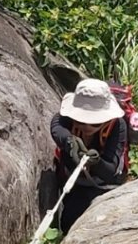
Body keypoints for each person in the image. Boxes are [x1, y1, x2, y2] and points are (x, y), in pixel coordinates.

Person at [51, 78, 127, 234]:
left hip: (105, 185)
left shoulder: (117, 126)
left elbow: (110, 169)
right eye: (82, 120)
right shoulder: (66, 119)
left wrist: (96, 162)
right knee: (69, 221)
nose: (87, 127)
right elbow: (56, 125)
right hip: (74, 182)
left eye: (95, 123)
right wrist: (69, 141)